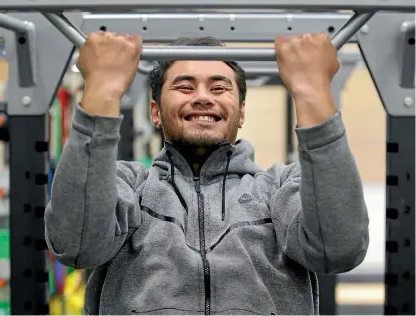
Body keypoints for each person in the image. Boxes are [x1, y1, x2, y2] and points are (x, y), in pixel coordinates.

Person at [45, 32, 369, 315]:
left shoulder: (280, 187)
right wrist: (103, 89)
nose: (202, 97)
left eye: (219, 87)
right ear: (156, 112)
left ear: (241, 112)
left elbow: (338, 250)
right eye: (185, 87)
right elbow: (76, 245)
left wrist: (311, 91)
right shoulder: (127, 186)